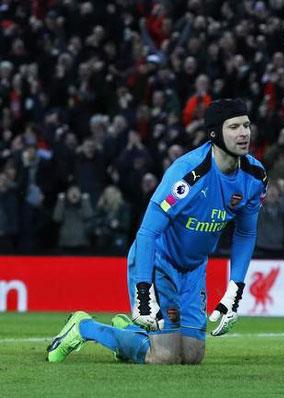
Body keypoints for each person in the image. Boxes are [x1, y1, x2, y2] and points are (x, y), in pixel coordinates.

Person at [47, 99, 267, 364]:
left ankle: (130, 332)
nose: (243, 133)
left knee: (191, 356)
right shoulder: (188, 174)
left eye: (246, 125)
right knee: (164, 356)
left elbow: (245, 234)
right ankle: (83, 327)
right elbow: (147, 232)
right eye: (234, 127)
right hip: (158, 262)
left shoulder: (254, 176)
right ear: (214, 133)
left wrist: (236, 288)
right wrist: (143, 292)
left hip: (194, 269)